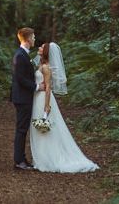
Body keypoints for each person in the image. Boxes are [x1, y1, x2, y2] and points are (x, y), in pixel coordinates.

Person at [30, 42, 99, 173]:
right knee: (39, 128)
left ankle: (49, 159)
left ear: (46, 52)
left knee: (46, 129)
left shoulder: (46, 67)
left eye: (42, 47)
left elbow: (49, 87)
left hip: (43, 99)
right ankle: (41, 158)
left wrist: (46, 106)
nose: (39, 48)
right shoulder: (40, 64)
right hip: (37, 98)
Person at [10, 27, 45, 170]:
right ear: (29, 38)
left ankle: (22, 158)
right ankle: (19, 161)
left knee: (23, 128)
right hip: (22, 98)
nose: (35, 39)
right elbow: (21, 79)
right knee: (21, 129)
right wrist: (37, 87)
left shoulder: (24, 54)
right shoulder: (20, 55)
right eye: (34, 37)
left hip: (23, 97)